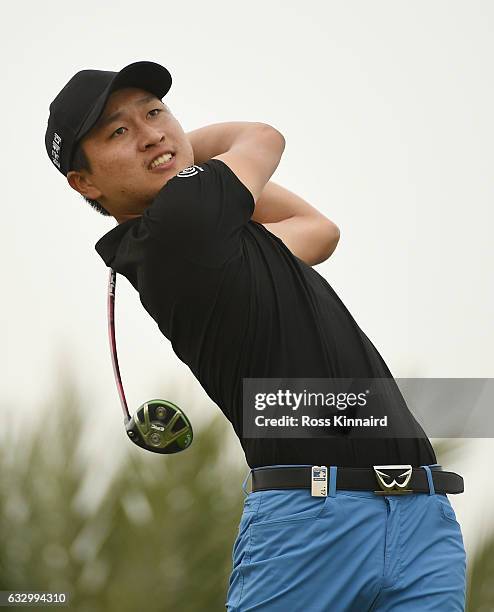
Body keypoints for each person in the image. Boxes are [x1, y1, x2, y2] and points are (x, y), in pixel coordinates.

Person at [45, 61, 467, 611]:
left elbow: (319, 231)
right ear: (85, 182)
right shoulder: (179, 224)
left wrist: (165, 154)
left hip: (419, 511)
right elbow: (262, 138)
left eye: (155, 113)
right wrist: (180, 154)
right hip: (311, 525)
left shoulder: (214, 246)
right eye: (118, 132)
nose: (151, 132)